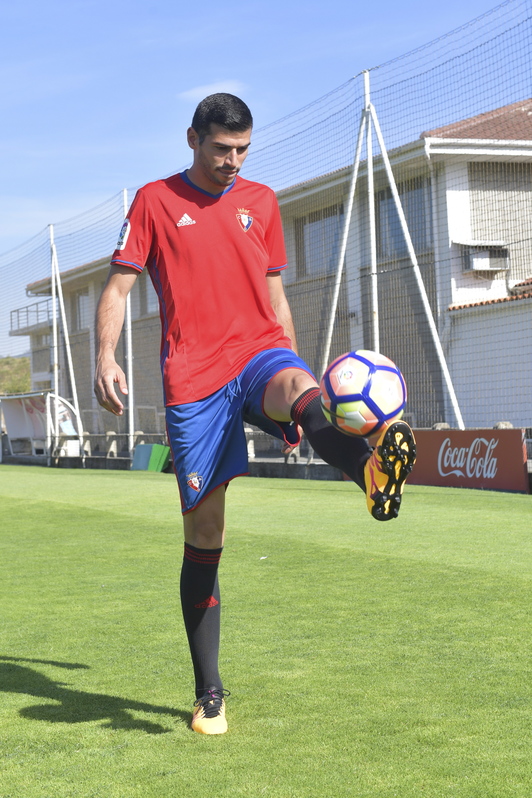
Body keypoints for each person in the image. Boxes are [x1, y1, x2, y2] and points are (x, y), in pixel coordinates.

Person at [94, 93, 416, 735]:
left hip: (260, 354)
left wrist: (297, 370)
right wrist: (104, 354)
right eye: (221, 149)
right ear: (193, 139)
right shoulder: (154, 201)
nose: (233, 161)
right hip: (194, 381)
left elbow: (274, 296)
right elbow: (119, 287)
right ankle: (209, 690)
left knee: (304, 389)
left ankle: (370, 473)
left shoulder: (262, 203)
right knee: (205, 536)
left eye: (242, 150)